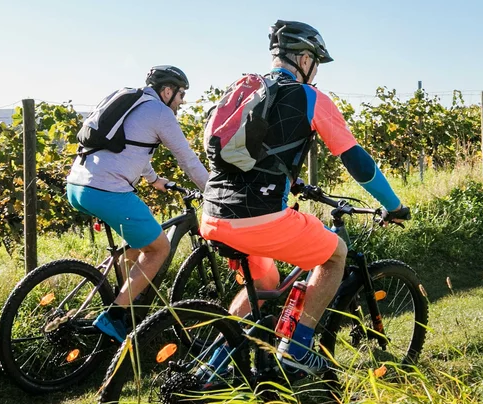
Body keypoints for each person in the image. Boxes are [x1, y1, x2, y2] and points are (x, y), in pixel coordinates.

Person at [198, 20, 410, 378]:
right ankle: (296, 349)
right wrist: (393, 205)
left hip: (214, 214)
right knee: (335, 255)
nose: (315, 72)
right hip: (259, 218)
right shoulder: (310, 98)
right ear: (303, 58)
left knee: (264, 285)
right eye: (315, 61)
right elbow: (356, 161)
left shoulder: (245, 91)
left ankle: (212, 367)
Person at [66, 65, 209, 342]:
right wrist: (214, 191)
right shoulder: (160, 112)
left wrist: (154, 178)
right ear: (167, 91)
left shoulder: (128, 98)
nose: (182, 101)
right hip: (106, 190)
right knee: (159, 248)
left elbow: (128, 144)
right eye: (181, 95)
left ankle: (119, 298)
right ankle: (114, 316)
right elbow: (188, 160)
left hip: (77, 185)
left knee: (134, 246)